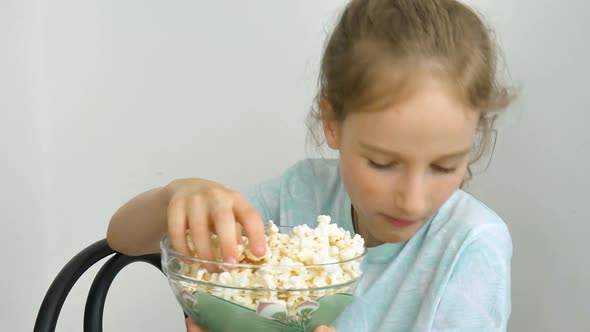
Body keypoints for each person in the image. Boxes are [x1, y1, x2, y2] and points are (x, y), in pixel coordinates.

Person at [107, 0, 516, 331]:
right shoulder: (299, 194)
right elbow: (124, 240)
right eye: (382, 162)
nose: (412, 201)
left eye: (444, 167)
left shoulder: (472, 245)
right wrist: (176, 196)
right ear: (332, 123)